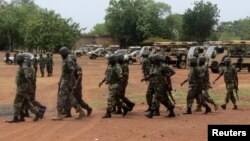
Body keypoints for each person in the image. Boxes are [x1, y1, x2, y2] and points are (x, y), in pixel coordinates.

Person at [6, 54, 43, 123]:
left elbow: (28, 78)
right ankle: (37, 114)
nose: (16, 61)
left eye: (17, 59)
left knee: (16, 103)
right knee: (26, 103)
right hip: (22, 87)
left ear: (19, 60)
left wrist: (30, 88)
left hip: (22, 88)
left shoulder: (23, 67)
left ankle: (16, 118)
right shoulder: (22, 66)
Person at [52, 47, 85, 120]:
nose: (60, 55)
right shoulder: (65, 60)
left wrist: (70, 83)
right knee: (70, 98)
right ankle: (81, 111)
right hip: (65, 81)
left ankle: (59, 114)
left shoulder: (68, 60)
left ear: (64, 53)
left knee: (61, 97)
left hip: (66, 82)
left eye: (61, 54)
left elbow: (72, 72)